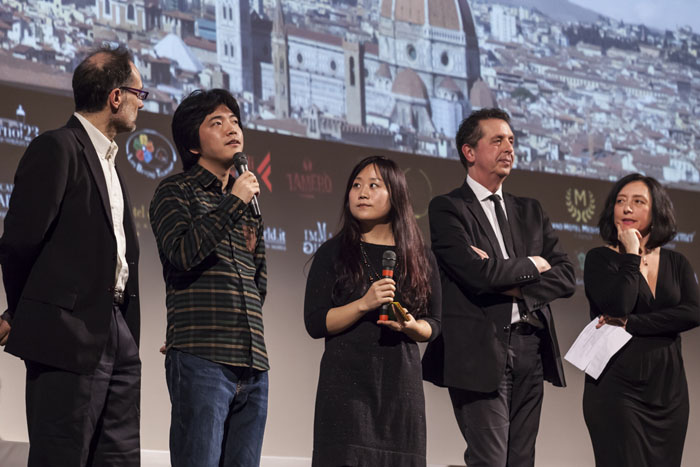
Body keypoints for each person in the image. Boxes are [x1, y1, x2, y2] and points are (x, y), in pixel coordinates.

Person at [0, 46, 144, 466]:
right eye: (139, 93)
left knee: (117, 458)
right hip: (67, 335)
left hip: (118, 330)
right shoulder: (57, 147)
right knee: (62, 455)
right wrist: (28, 311)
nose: (140, 103)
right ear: (115, 97)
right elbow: (19, 241)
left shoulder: (112, 163)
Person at [422, 108, 576, 467]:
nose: (509, 147)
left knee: (520, 461)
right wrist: (533, 266)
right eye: (497, 140)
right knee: (489, 460)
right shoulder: (448, 208)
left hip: (531, 346)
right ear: (469, 152)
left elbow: (567, 274)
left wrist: (512, 284)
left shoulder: (530, 211)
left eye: (511, 140)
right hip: (480, 347)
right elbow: (475, 274)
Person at [149, 89, 268, 467]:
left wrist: (238, 202)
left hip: (253, 364)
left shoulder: (249, 205)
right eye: (216, 123)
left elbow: (257, 281)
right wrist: (233, 201)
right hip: (201, 358)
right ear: (192, 144)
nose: (231, 128)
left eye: (234, 120)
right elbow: (183, 253)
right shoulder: (175, 191)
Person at [304, 155, 442, 467]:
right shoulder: (333, 252)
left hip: (400, 393)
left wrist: (411, 326)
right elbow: (314, 322)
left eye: (373, 185)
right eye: (356, 185)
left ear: (396, 195)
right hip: (345, 391)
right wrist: (363, 304)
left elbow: (435, 323)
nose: (362, 193)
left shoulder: (421, 258)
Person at [582, 173, 700, 466]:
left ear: (656, 210)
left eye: (638, 202)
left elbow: (693, 312)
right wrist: (631, 255)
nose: (627, 208)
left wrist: (633, 324)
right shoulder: (599, 259)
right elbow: (619, 304)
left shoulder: (677, 263)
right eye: (620, 201)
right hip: (616, 387)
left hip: (668, 392)